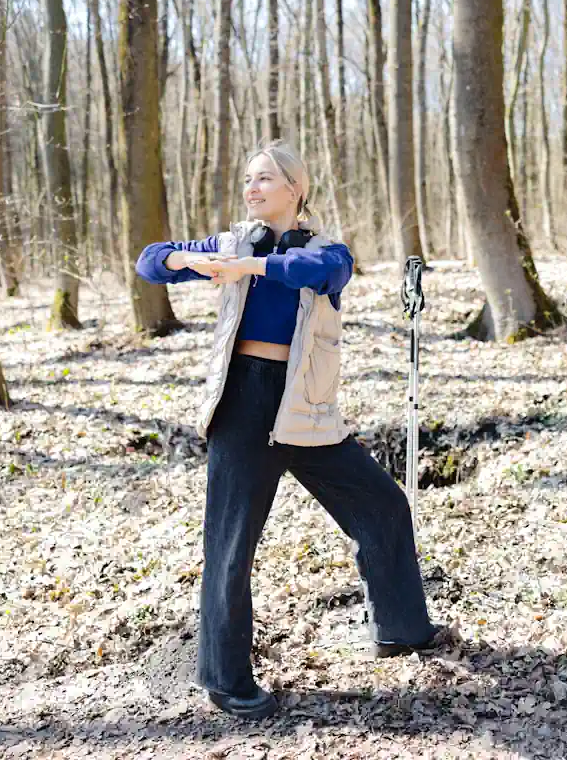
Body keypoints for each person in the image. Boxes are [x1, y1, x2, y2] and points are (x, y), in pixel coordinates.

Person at [135, 141, 449, 720]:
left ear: (294, 188)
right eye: (247, 180)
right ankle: (226, 681)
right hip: (244, 405)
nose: (251, 189)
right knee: (229, 546)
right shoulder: (231, 243)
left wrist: (249, 267)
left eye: (263, 180)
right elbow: (150, 259)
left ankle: (401, 628)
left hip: (303, 407)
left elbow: (320, 273)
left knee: (381, 504)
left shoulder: (324, 250)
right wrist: (188, 261)